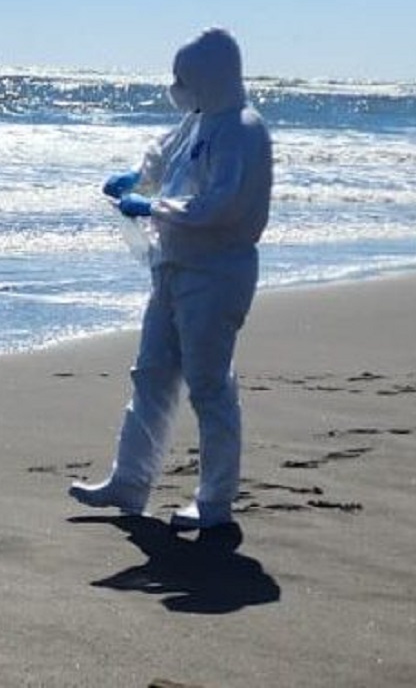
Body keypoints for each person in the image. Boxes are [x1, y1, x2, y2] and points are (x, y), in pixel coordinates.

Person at [69, 28, 272, 530]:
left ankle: (215, 501)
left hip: (217, 273)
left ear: (210, 76)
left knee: (209, 386)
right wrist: (134, 180)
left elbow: (221, 206)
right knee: (151, 374)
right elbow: (164, 159)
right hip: (173, 266)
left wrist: (153, 206)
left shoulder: (242, 131)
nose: (177, 87)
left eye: (184, 78)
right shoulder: (198, 121)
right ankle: (129, 482)